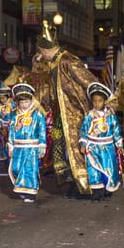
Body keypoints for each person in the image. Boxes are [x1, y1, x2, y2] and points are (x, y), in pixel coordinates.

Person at [36, 20, 98, 198]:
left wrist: (105, 101)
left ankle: (85, 185)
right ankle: (71, 182)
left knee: (76, 149)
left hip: (74, 115)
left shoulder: (68, 61)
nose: (41, 56)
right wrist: (35, 105)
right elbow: (49, 90)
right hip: (58, 118)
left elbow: (88, 80)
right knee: (60, 149)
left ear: (46, 50)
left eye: (41, 52)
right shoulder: (53, 65)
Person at [79, 82, 124, 201]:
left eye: (99, 101)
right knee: (93, 169)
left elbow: (116, 130)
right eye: (94, 101)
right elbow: (83, 130)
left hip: (107, 147)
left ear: (104, 101)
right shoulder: (89, 116)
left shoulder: (110, 116)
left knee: (109, 167)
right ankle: (96, 192)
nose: (97, 103)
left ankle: (108, 189)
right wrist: (83, 143)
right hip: (93, 146)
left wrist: (119, 144)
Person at [7, 83, 47, 203]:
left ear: (31, 101)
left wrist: (42, 146)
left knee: (29, 170)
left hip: (31, 147)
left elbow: (42, 131)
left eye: (26, 102)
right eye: (22, 102)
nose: (24, 104)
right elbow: (11, 132)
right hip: (19, 147)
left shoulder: (38, 115)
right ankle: (22, 189)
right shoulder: (15, 116)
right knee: (17, 169)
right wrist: (10, 146)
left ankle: (30, 193)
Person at [0, 83, 15, 166]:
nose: (1, 100)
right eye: (0, 98)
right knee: (2, 144)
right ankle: (3, 160)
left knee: (10, 144)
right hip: (2, 128)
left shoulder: (13, 104)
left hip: (10, 128)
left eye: (3, 98)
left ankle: (10, 161)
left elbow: (15, 116)